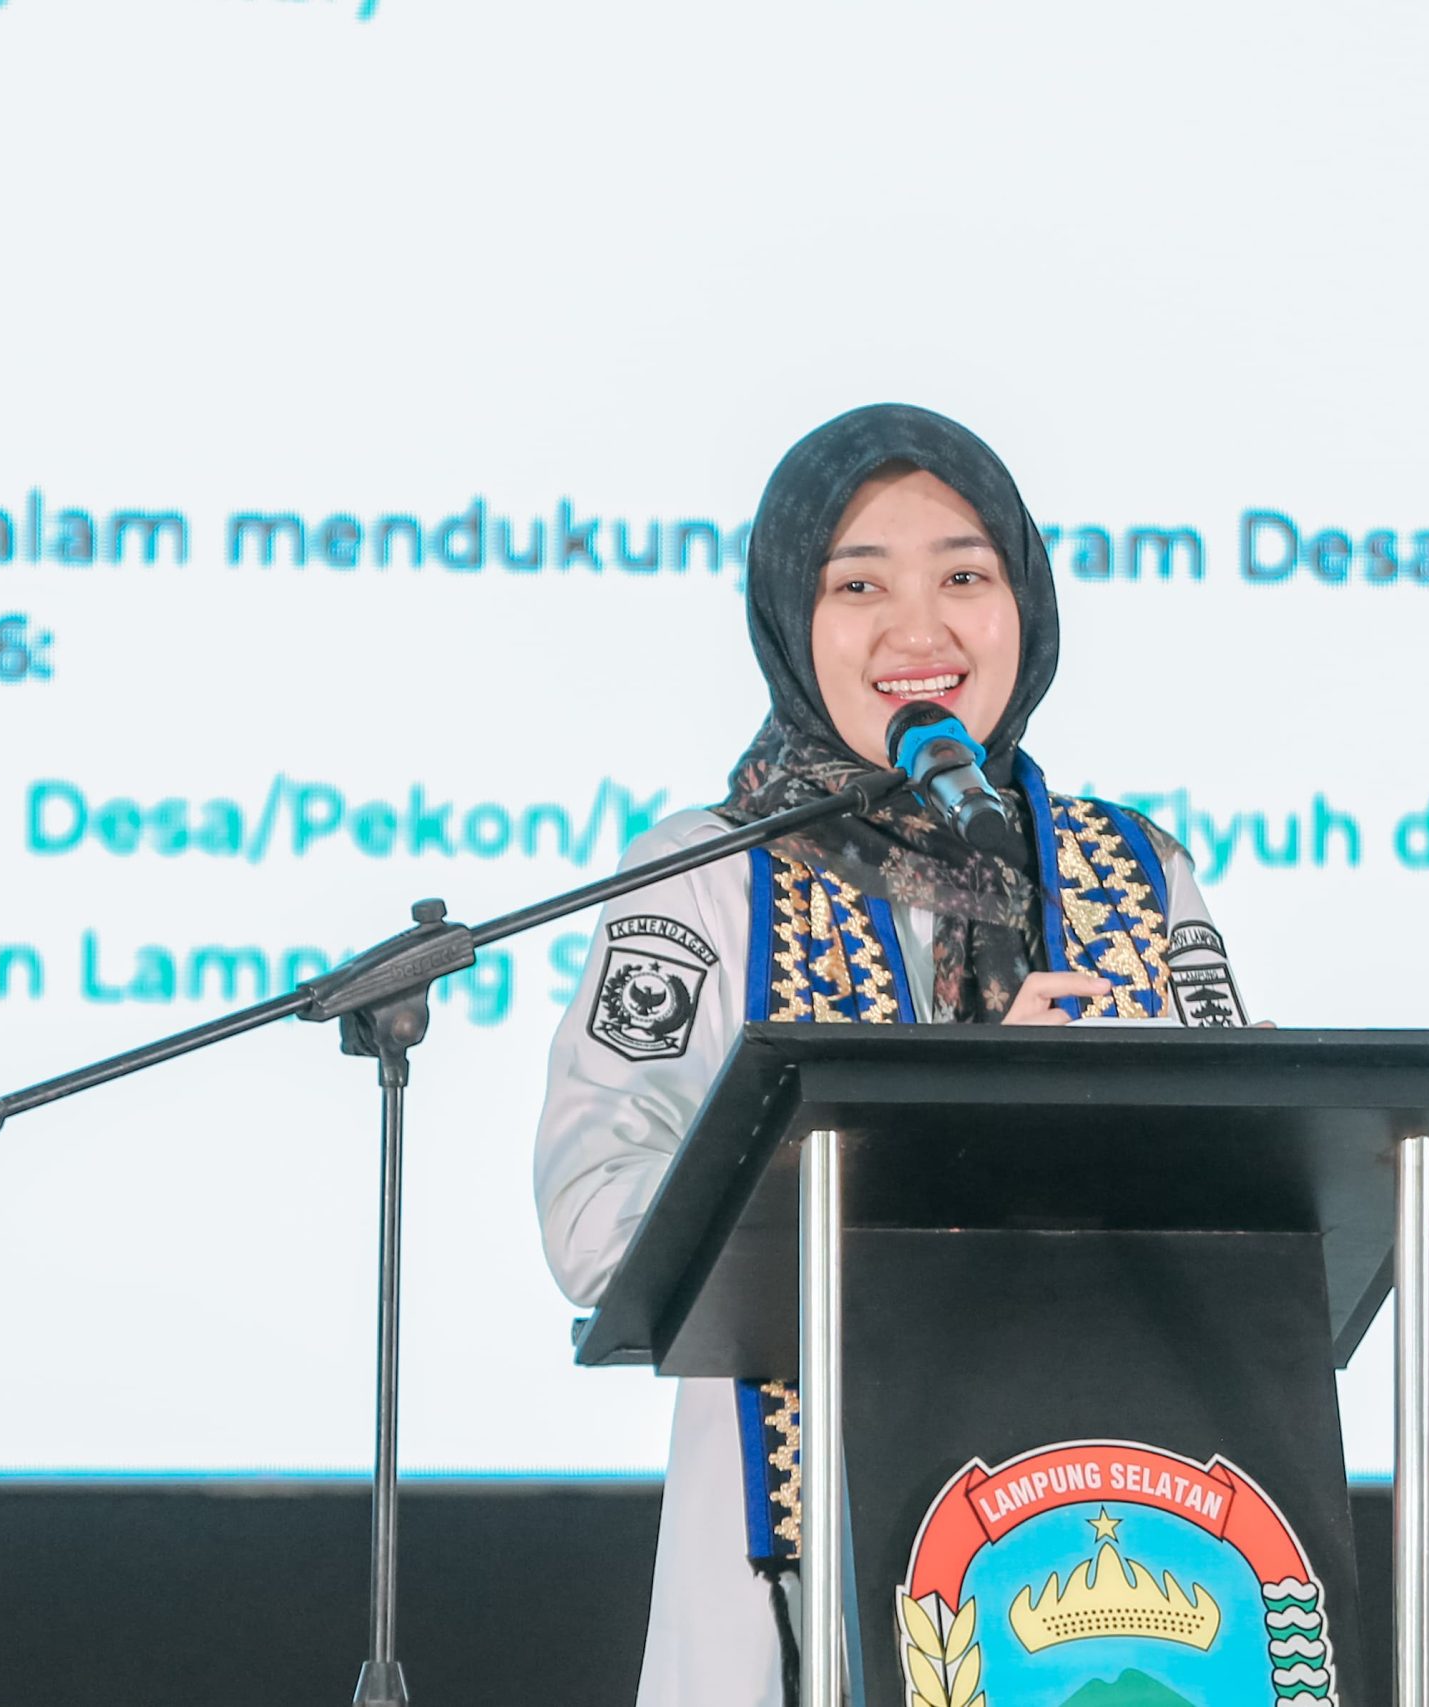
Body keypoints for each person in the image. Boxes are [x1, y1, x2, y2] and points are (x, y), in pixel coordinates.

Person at [532, 403, 1250, 1707]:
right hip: (795, 1581)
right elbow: (596, 1221)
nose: (920, 632)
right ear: (788, 618)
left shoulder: (1136, 875)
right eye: (859, 585)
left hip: (1102, 1532)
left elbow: (1266, 1203)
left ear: (1026, 604)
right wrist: (948, 1137)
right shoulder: (709, 877)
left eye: (965, 578)